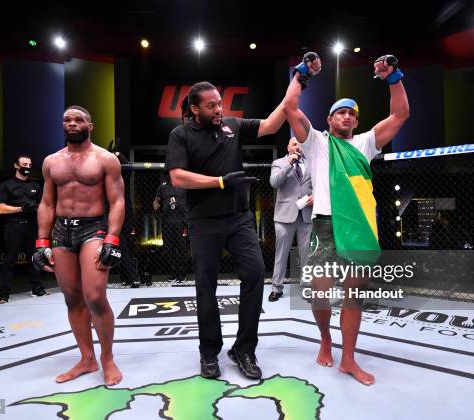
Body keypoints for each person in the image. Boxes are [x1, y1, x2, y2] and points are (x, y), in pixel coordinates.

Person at [284, 53, 409, 385]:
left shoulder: (365, 143)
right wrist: (301, 74)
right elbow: (290, 109)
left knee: (354, 295)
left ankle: (349, 359)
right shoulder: (317, 143)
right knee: (320, 294)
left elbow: (400, 114)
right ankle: (325, 338)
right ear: (329, 119)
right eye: (340, 112)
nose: (347, 116)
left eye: (352, 114)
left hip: (358, 227)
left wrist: (393, 77)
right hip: (324, 225)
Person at [165, 81, 286, 380]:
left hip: (238, 218)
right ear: (195, 108)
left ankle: (244, 349)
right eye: (211, 105)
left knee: (256, 273)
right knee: (206, 285)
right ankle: (209, 352)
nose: (219, 109)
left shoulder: (232, 125)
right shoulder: (181, 134)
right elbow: (178, 177)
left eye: (220, 103)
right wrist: (219, 181)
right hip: (203, 221)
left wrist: (299, 81)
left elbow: (272, 124)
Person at [33, 105, 125, 386]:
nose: (72, 124)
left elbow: (118, 201)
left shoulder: (105, 159)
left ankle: (107, 358)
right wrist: (41, 242)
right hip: (62, 231)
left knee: (95, 296)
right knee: (72, 298)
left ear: (90, 125)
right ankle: (87, 358)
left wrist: (112, 238)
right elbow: (47, 203)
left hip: (92, 228)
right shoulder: (51, 161)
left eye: (79, 120)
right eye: (67, 120)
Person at [0, 154, 47, 304]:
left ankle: (37, 288)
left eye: (29, 165)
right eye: (24, 164)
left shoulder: (35, 186)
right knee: (9, 261)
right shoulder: (7, 185)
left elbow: (43, 206)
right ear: (16, 166)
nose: (27, 167)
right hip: (13, 227)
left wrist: (35, 208)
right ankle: (4, 295)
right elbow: (0, 208)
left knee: (35, 258)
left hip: (32, 227)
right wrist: (20, 208)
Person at [268, 137, 313, 302]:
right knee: (281, 254)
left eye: (301, 145)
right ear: (288, 147)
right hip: (284, 215)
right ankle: (276, 288)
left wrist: (316, 196)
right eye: (295, 144)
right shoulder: (279, 163)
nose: (298, 147)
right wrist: (289, 163)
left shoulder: (312, 163)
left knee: (307, 254)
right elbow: (274, 182)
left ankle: (307, 287)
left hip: (306, 214)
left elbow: (318, 185)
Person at [153, 173, 188, 282]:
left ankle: (182, 275)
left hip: (181, 222)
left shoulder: (184, 184)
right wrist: (156, 208)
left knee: (182, 248)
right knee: (169, 248)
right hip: (167, 222)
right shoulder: (163, 186)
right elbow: (157, 200)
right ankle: (173, 274)